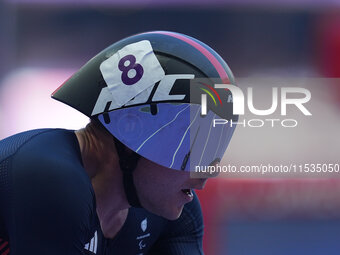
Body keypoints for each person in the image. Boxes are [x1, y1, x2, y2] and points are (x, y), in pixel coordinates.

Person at [0, 31, 237, 254]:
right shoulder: (48, 178)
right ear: (131, 130)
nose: (209, 171)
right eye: (192, 148)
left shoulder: (170, 212)